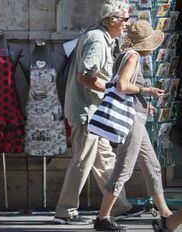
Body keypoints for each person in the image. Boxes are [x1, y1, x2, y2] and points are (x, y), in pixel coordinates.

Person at [54, 0, 143, 225]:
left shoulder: (103, 38)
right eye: (124, 19)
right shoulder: (97, 40)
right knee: (82, 160)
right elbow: (85, 75)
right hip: (87, 112)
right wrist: (111, 88)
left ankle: (121, 206)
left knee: (104, 160)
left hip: (94, 111)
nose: (127, 23)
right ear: (111, 20)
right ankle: (66, 211)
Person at [94, 20, 173, 231]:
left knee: (152, 166)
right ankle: (103, 217)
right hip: (131, 121)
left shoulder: (125, 55)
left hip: (136, 117)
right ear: (144, 43)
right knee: (124, 169)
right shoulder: (134, 56)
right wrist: (147, 91)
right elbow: (123, 85)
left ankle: (165, 214)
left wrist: (144, 104)